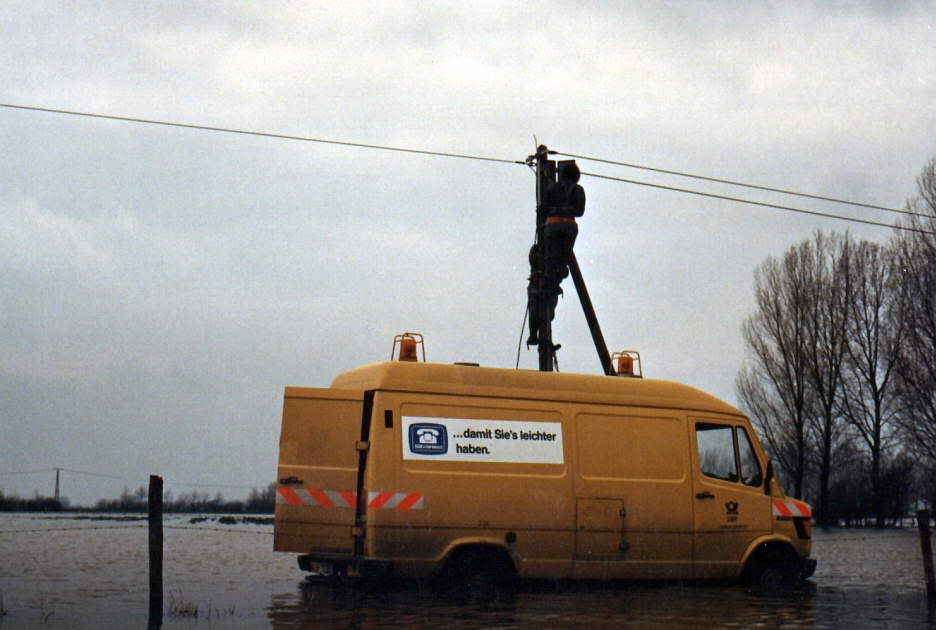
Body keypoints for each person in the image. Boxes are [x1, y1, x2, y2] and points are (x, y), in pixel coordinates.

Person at [539, 162, 585, 307]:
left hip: (552, 226)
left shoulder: (552, 187)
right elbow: (580, 211)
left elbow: (543, 209)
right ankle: (555, 282)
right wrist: (566, 210)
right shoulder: (578, 189)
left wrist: (554, 211)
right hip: (570, 227)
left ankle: (549, 288)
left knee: (552, 258)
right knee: (563, 259)